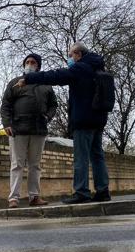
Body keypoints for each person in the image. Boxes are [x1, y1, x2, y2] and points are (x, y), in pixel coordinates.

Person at [15, 42, 111, 204]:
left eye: (70, 55)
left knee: (81, 157)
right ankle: (103, 191)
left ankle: (82, 192)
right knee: (97, 156)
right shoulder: (97, 67)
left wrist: (29, 78)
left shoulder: (81, 68)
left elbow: (56, 75)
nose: (69, 58)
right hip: (98, 120)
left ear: (78, 54)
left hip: (83, 120)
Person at [0, 53, 58, 208]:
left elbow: (54, 105)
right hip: (18, 129)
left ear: (38, 66)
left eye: (33, 62)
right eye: (27, 62)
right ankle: (13, 198)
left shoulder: (46, 85)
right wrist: (7, 124)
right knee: (16, 164)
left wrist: (48, 116)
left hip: (39, 129)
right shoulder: (15, 83)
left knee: (35, 165)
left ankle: (34, 197)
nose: (30, 64)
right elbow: (5, 105)